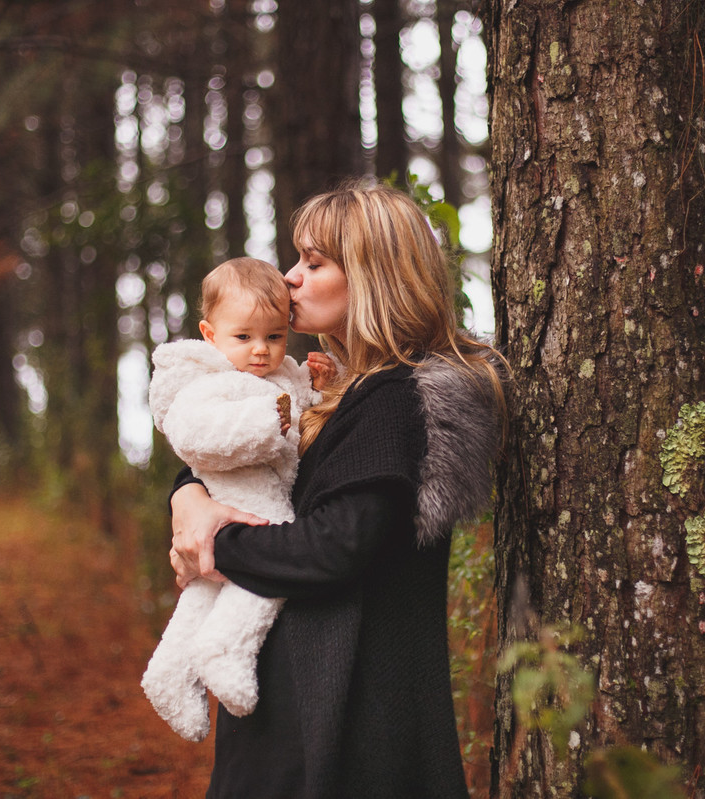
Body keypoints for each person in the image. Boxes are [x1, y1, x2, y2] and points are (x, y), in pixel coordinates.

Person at [168, 182, 508, 799]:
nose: (290, 279)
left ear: (373, 277)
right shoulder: (347, 394)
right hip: (307, 700)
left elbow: (336, 545)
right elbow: (249, 464)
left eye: (314, 262)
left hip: (348, 715)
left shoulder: (395, 400)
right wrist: (188, 494)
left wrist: (219, 540)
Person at [141, 257, 332, 742]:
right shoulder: (204, 379)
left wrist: (319, 386)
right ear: (209, 333)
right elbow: (194, 434)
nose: (261, 351)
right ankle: (227, 648)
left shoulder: (280, 374)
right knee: (267, 568)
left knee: (204, 591)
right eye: (243, 337)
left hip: (251, 495)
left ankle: (169, 671)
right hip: (245, 498)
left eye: (274, 336)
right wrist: (266, 425)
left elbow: (304, 411)